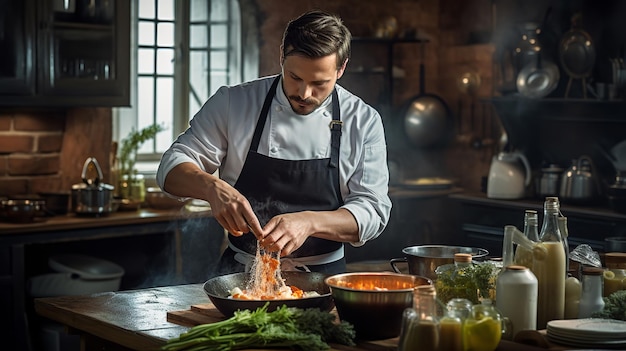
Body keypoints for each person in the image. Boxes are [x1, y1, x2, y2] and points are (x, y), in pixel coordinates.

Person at [156, 9, 391, 275]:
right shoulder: (234, 103)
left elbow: (373, 211)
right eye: (294, 77)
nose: (304, 93)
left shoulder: (363, 120)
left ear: (341, 69)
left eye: (319, 83)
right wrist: (212, 187)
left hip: (324, 281)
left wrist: (310, 222)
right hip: (241, 276)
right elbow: (170, 168)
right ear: (281, 56)